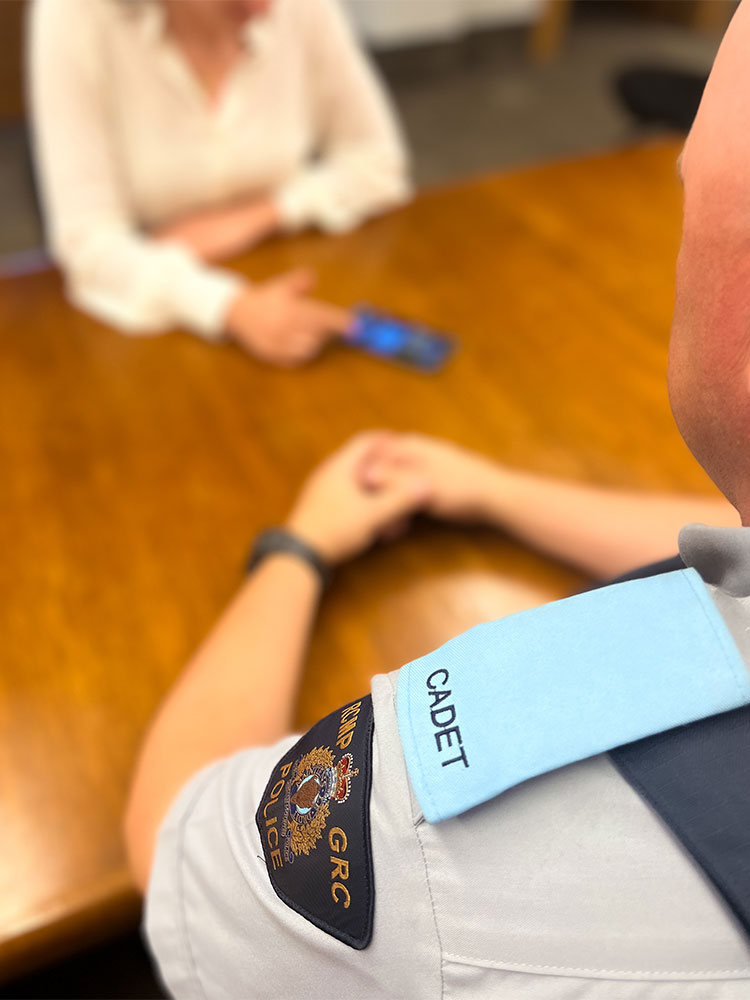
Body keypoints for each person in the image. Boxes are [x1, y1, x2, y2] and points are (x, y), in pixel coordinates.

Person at [124, 0, 750, 993]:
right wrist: (493, 489)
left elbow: (179, 841)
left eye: (696, 189)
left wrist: (296, 547)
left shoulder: (459, 851)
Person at [28, 0, 410, 366]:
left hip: (286, 274)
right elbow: (87, 243)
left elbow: (380, 164)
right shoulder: (73, 13)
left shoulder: (300, 5)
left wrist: (261, 214)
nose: (266, 8)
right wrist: (230, 307)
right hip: (142, 320)